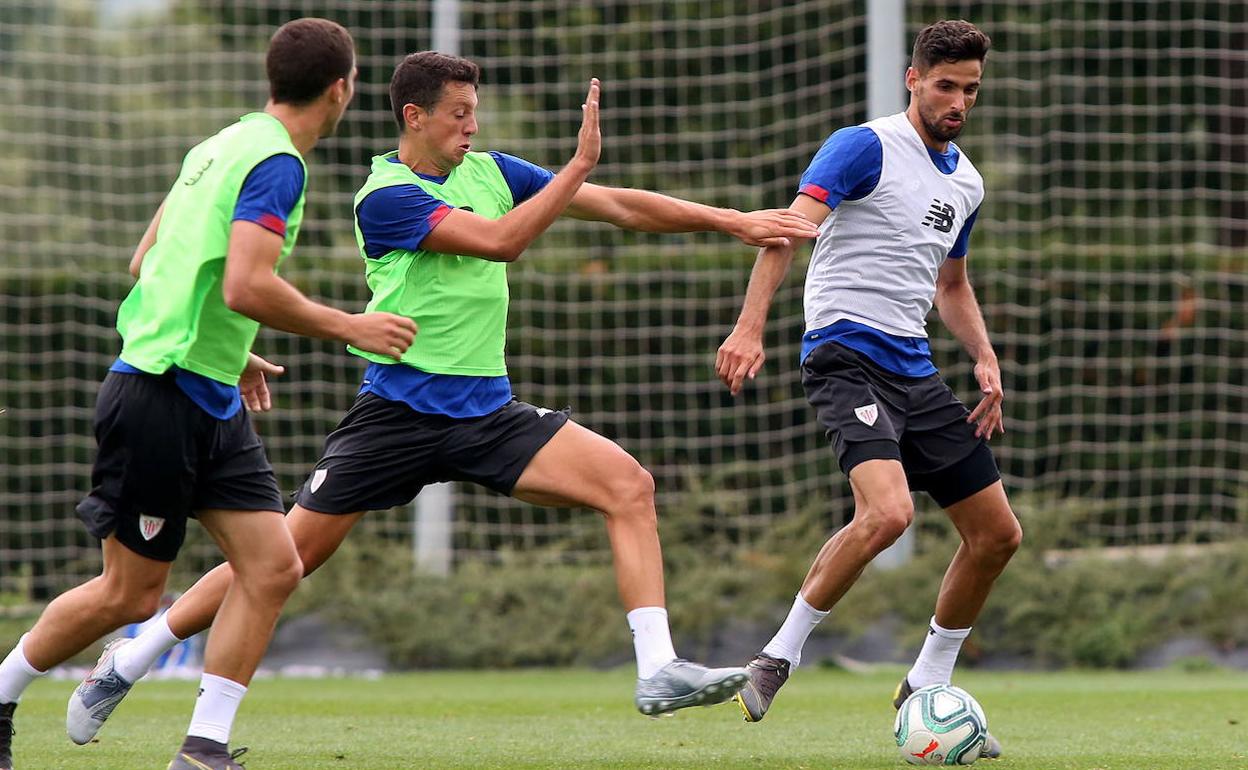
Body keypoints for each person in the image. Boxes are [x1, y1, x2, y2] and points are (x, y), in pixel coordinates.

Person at [63, 49, 820, 737]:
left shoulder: (490, 171)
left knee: (629, 485)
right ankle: (133, 658)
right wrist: (575, 167)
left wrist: (733, 221)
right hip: (396, 415)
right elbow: (503, 241)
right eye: (458, 114)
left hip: (486, 412)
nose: (471, 127)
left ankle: (657, 666)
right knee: (282, 556)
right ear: (413, 117)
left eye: (475, 113)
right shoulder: (383, 196)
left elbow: (619, 206)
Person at [0, 18, 417, 770]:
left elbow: (149, 259)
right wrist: (350, 323)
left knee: (275, 566)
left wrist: (234, 347)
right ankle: (1, 692)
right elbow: (247, 282)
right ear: (342, 89)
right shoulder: (279, 163)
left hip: (208, 395)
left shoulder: (219, 144)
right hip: (159, 395)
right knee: (128, 596)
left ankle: (202, 749)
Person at [714, 20, 1020, 757]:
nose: (957, 101)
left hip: (914, 367)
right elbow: (787, 230)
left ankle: (925, 681)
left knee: (998, 536)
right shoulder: (864, 145)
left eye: (970, 90)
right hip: (845, 356)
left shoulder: (967, 181)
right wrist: (749, 327)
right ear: (912, 79)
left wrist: (984, 356)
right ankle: (776, 656)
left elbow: (951, 283)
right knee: (886, 515)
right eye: (945, 85)